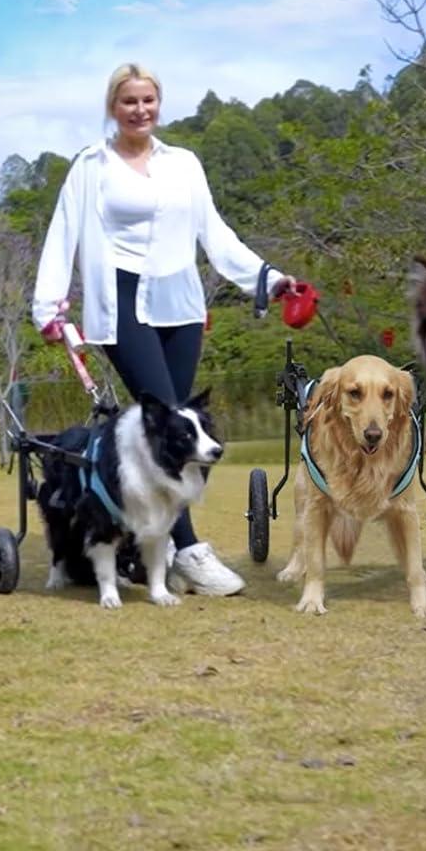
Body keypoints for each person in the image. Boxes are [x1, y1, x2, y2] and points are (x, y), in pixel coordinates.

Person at [32, 62, 297, 595]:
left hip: (179, 305)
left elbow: (215, 234)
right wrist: (49, 305)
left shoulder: (184, 165)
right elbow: (63, 234)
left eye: (148, 100)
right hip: (121, 305)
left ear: (159, 104)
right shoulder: (91, 166)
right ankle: (188, 550)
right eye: (129, 101)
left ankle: (154, 539)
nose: (140, 109)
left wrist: (265, 279)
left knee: (193, 429)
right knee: (163, 426)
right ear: (113, 107)